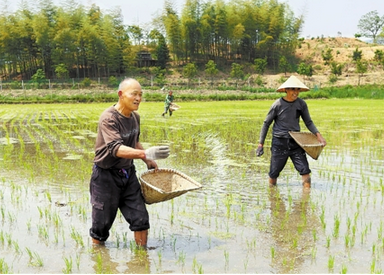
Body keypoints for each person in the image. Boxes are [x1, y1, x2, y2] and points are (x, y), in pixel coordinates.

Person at [89, 78, 170, 247]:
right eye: (134, 94)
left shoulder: (135, 117)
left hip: (127, 174)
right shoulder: (109, 118)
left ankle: (142, 259)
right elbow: (116, 149)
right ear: (121, 95)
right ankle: (98, 258)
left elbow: (134, 141)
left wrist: (147, 159)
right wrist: (144, 153)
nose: (138, 98)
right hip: (105, 177)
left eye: (141, 94)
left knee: (140, 218)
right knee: (101, 225)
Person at [256, 75, 326, 189]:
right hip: (279, 142)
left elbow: (308, 122)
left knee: (305, 171)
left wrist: (319, 136)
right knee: (274, 173)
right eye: (293, 89)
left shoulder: (301, 104)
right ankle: (272, 197)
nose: (296, 92)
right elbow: (266, 123)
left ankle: (305, 200)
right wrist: (260, 144)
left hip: (296, 142)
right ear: (286, 90)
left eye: (297, 89)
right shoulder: (277, 105)